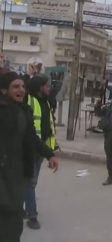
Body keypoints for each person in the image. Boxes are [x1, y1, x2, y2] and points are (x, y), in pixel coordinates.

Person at [0, 72, 58, 242]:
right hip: (3, 174)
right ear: (4, 90)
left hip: (18, 173)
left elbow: (32, 137)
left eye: (22, 86)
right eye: (15, 87)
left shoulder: (24, 110)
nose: (21, 90)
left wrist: (50, 154)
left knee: (15, 222)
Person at [24, 74, 57, 229]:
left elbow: (48, 126)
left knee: (31, 182)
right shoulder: (28, 100)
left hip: (41, 147)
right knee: (30, 182)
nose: (49, 87)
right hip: (30, 148)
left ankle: (23, 208)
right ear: (40, 86)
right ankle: (32, 215)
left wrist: (52, 147)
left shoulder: (46, 102)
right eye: (47, 85)